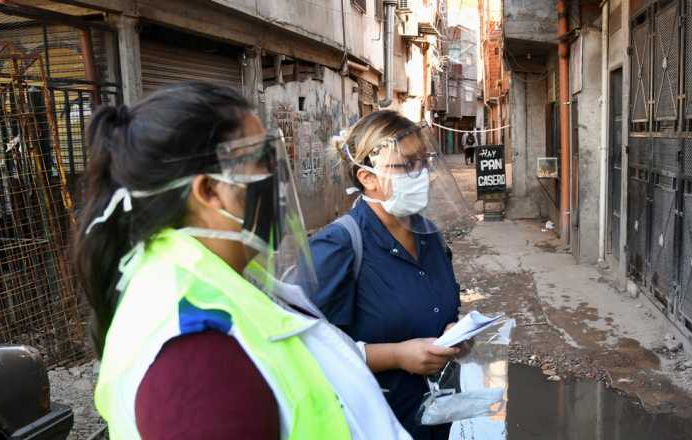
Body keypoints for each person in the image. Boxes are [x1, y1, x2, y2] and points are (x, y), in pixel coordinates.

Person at [73, 82, 410, 440]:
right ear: (209, 191)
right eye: (264, 163)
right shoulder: (194, 352)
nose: (280, 180)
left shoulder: (223, 282)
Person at [309, 110, 475, 439]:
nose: (423, 175)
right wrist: (396, 356)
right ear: (366, 177)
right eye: (407, 165)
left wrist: (456, 335)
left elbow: (439, 310)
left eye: (424, 162)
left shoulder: (429, 235)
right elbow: (310, 351)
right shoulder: (338, 246)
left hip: (432, 421)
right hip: (373, 426)